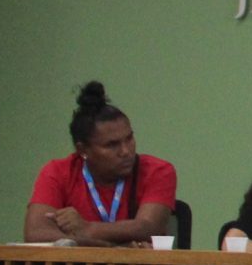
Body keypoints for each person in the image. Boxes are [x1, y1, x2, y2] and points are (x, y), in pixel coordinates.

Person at [25, 80, 177, 245]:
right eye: (112, 145)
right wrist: (107, 247)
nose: (126, 151)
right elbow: (36, 233)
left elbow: (149, 228)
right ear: (82, 150)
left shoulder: (157, 170)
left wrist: (88, 229)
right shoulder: (57, 171)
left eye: (129, 138)